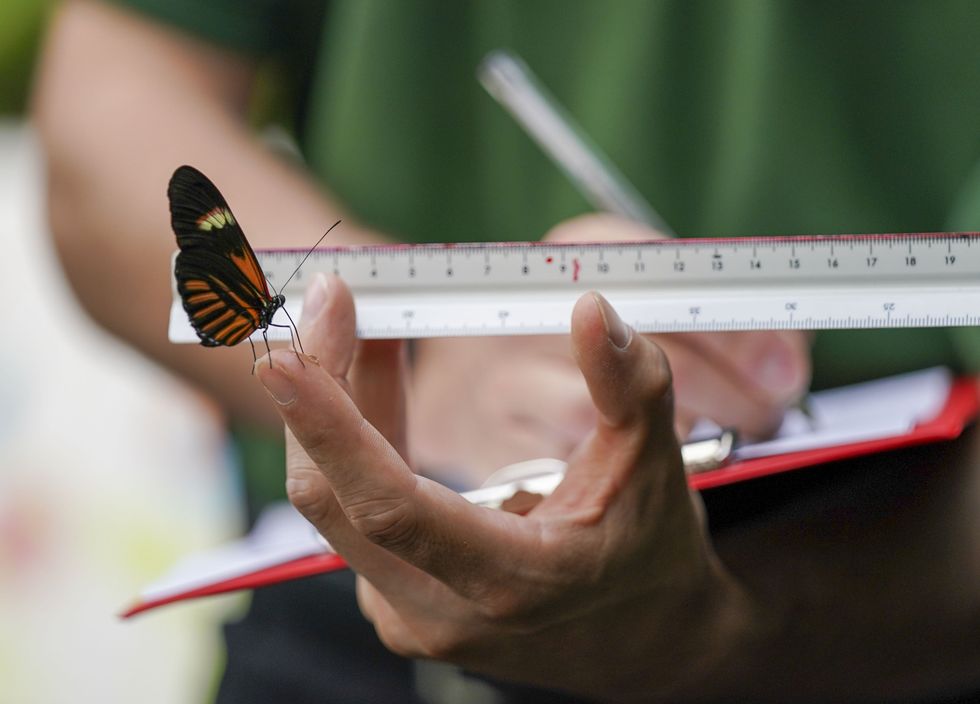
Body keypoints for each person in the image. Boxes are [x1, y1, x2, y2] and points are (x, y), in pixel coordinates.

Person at [32, 0, 980, 701]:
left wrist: (716, 629)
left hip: (907, 599)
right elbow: (109, 105)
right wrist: (434, 366)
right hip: (356, 629)